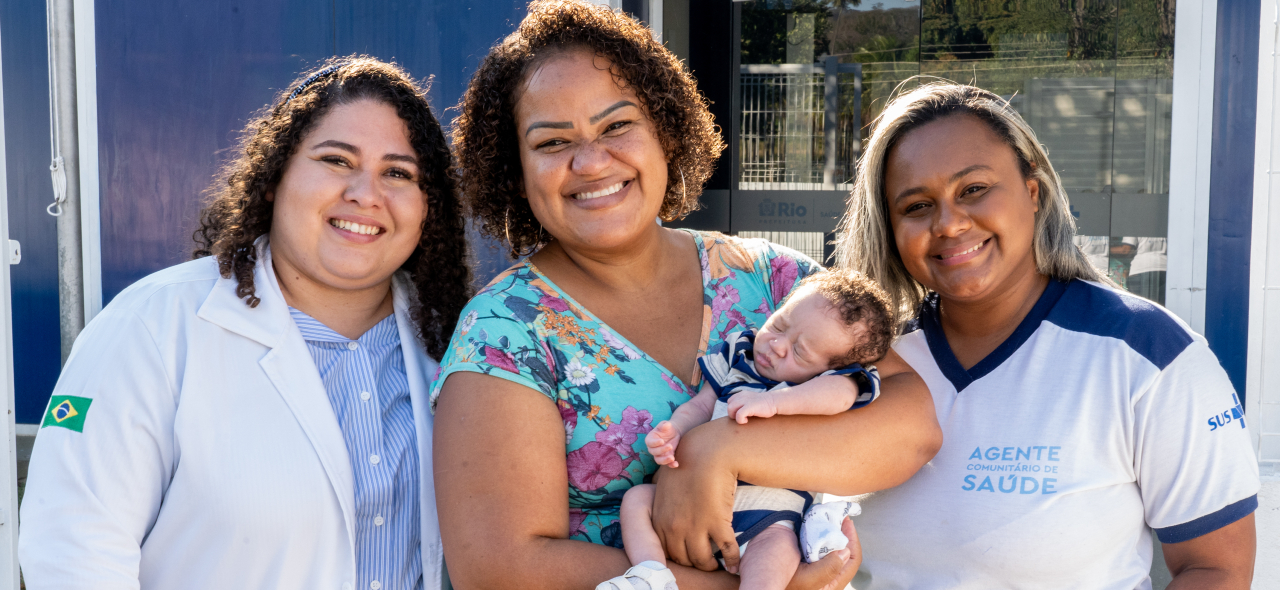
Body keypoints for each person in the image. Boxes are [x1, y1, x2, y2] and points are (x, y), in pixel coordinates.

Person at [432, 2, 941, 589]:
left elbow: (912, 427)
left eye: (617, 125)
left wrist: (716, 451)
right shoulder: (505, 331)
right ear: (513, 169)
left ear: (665, 133)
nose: (592, 161)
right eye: (551, 142)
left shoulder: (773, 281)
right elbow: (500, 571)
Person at [18, 57, 471, 590]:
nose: (365, 193)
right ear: (275, 177)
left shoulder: (457, 345)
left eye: (398, 172)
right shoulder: (153, 325)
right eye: (336, 160)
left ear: (427, 207)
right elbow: (73, 547)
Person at [835, 82, 1259, 588]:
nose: (948, 224)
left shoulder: (1149, 353)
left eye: (973, 190)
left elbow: (1217, 569)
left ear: (1032, 193)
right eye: (917, 206)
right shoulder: (862, 363)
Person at [600, 270, 896, 590]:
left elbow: (839, 395)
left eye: (800, 351)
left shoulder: (825, 385)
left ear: (833, 368)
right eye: (779, 325)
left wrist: (775, 402)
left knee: (778, 549)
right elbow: (700, 405)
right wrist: (674, 431)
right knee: (637, 500)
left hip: (766, 519)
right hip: (686, 503)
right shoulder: (739, 354)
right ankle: (651, 573)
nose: (777, 345)